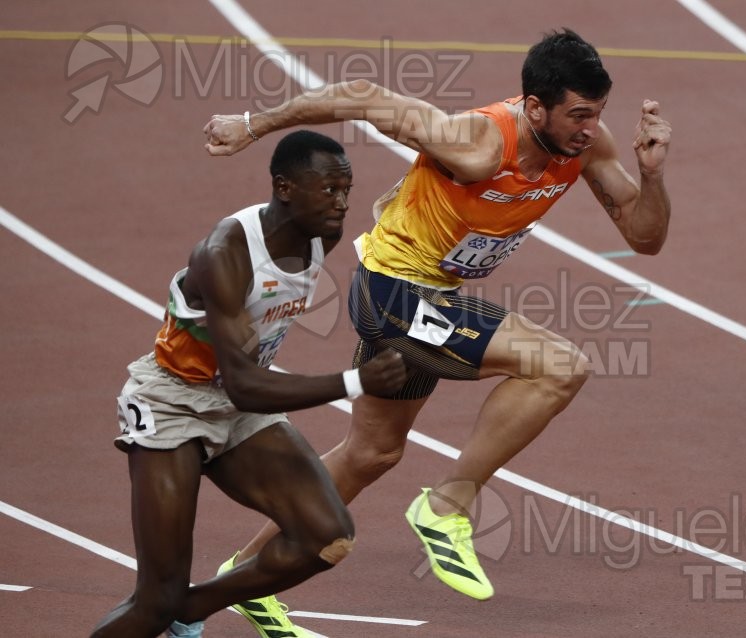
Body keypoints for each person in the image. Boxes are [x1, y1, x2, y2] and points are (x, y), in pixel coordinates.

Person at [202, 26, 670, 624]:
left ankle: (244, 578)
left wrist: (651, 174)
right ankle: (447, 505)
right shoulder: (477, 142)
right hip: (395, 292)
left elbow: (644, 237)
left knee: (372, 452)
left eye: (598, 114)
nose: (589, 129)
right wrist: (255, 123)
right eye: (578, 115)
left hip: (431, 296)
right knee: (559, 366)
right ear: (533, 107)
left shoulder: (586, 146)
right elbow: (363, 95)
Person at [90, 130, 408, 638]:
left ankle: (190, 610)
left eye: (346, 189)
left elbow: (241, 392)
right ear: (284, 187)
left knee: (326, 538)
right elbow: (244, 386)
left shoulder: (321, 237)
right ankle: (171, 607)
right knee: (154, 601)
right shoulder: (225, 253)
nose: (342, 203)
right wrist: (354, 381)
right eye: (328, 189)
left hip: (239, 406)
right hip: (175, 403)